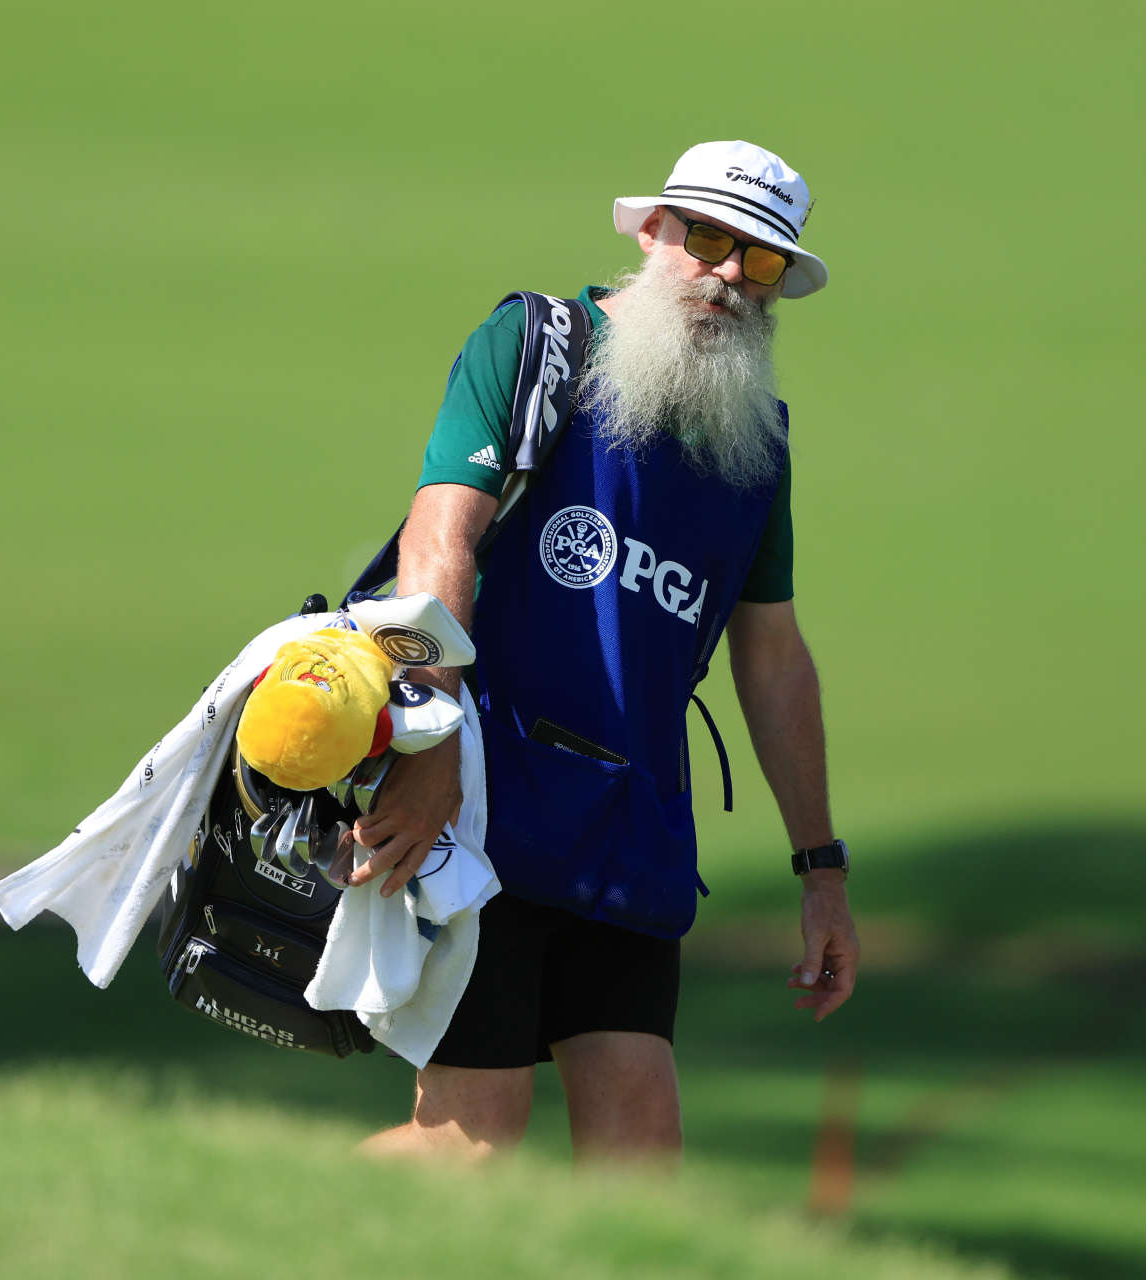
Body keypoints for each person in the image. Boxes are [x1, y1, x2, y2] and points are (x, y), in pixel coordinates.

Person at [345, 140, 858, 1164]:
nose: (726, 274)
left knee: (639, 1168)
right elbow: (432, 546)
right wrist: (430, 749)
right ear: (652, 231)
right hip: (483, 801)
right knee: (470, 1148)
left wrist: (821, 868)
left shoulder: (758, 444)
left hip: (632, 832)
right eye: (708, 237)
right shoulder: (535, 343)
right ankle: (231, 1205)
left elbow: (774, 657)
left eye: (759, 261)